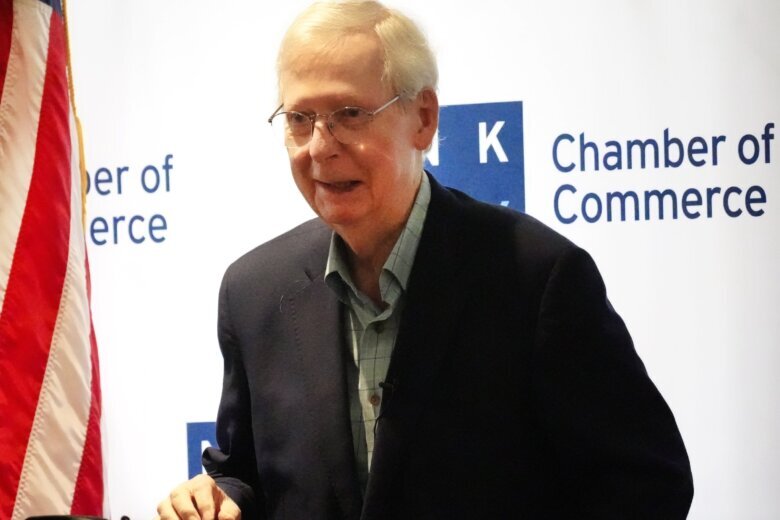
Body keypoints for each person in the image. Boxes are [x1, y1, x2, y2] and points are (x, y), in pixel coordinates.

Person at [157, 1, 693, 518]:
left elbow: (647, 484)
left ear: (424, 118)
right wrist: (220, 498)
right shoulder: (254, 292)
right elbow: (247, 472)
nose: (320, 147)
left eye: (349, 114)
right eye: (299, 118)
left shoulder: (537, 277)